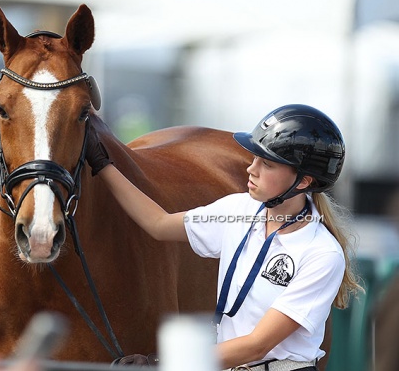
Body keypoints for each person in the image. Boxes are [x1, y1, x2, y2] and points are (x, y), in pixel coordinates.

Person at [86, 104, 363, 371]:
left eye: (266, 164)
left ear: (303, 182)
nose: (251, 169)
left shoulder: (322, 254)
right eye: (254, 158)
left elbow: (257, 345)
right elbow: (157, 223)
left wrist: (163, 363)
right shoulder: (239, 209)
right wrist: (102, 164)